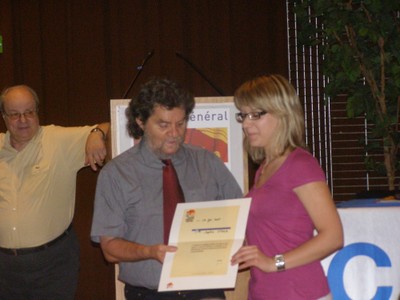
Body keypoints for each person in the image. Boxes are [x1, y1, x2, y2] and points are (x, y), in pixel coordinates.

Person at [91, 78, 243, 300]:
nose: (175, 133)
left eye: (180, 123)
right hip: (149, 293)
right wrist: (150, 252)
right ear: (141, 122)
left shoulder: (207, 163)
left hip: (205, 290)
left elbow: (241, 218)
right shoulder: (116, 174)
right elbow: (109, 248)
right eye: (163, 125)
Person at [230, 75, 344, 300]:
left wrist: (274, 262)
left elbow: (333, 237)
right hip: (264, 292)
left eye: (256, 114)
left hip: (299, 292)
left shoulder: (300, 164)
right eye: (243, 115)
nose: (245, 123)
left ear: (282, 113)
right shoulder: (265, 168)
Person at [0, 84, 110, 300]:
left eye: (29, 112)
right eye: (14, 114)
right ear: (4, 117)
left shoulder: (58, 140)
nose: (23, 120)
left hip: (52, 264)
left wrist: (97, 133)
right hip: (4, 268)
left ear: (37, 112)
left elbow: (111, 125)